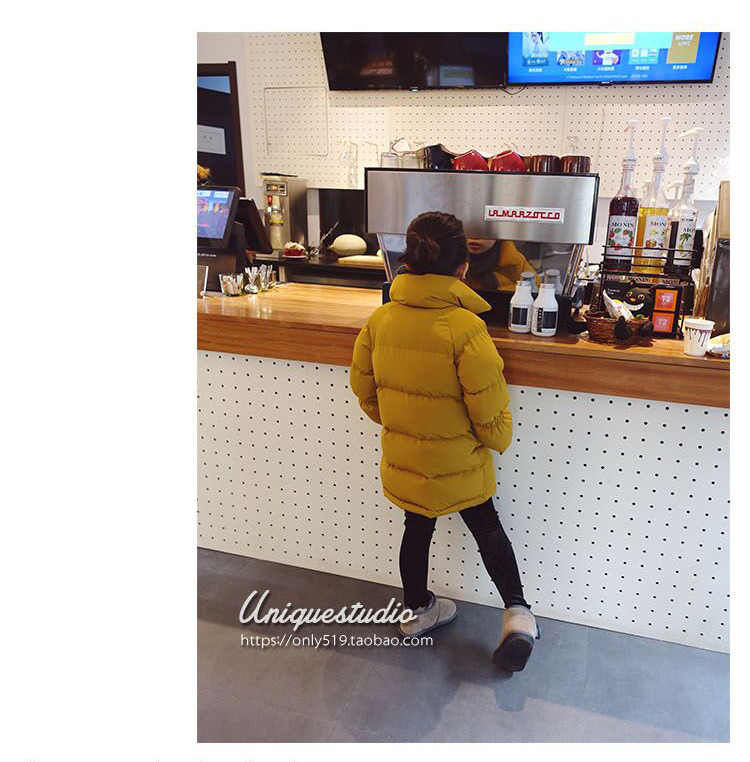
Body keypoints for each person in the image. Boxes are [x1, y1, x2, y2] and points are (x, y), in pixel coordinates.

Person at [350, 211, 539, 672]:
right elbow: (488, 408)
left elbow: (364, 389)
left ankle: (418, 611)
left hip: (407, 458)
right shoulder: (466, 327)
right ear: (462, 269)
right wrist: (497, 440)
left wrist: (400, 424)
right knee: (488, 528)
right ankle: (517, 614)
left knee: (416, 529)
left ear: (408, 261)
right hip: (460, 459)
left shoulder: (380, 319)